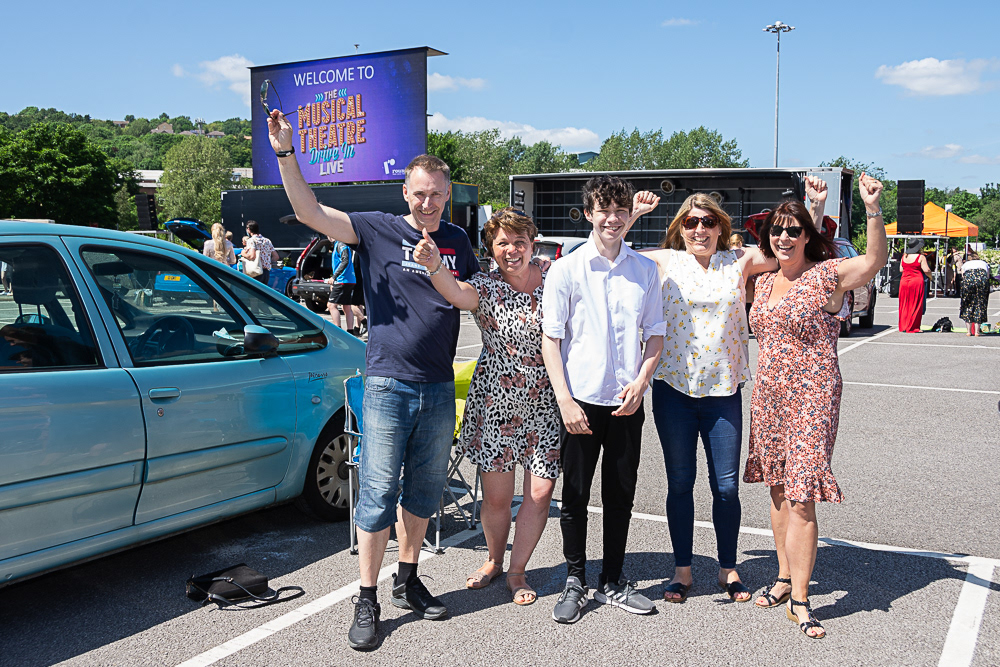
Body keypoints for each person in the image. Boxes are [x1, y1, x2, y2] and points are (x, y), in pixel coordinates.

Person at [268, 110, 480, 651]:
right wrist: (286, 153)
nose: (426, 203)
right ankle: (367, 595)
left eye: (435, 194)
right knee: (379, 490)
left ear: (447, 193)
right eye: (418, 194)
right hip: (388, 382)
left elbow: (473, 298)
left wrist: (442, 268)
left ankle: (408, 579)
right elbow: (308, 210)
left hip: (437, 384)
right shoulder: (376, 230)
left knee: (424, 491)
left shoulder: (457, 239)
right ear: (403, 192)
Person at [641, 178, 829, 605]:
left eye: (708, 221)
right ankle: (683, 571)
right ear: (680, 227)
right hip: (674, 392)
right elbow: (610, 256)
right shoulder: (665, 261)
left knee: (726, 487)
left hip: (724, 393)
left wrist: (813, 208)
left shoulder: (738, 261)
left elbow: (795, 250)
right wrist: (633, 215)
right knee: (680, 484)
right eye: (691, 222)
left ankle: (728, 568)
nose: (699, 229)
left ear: (720, 227)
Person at [744, 173, 887, 639]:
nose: (784, 237)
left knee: (802, 495)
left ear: (809, 236)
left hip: (812, 395)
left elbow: (872, 262)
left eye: (794, 230)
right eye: (777, 231)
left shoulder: (826, 276)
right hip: (769, 396)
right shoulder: (762, 283)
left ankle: (802, 600)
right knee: (778, 487)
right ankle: (784, 578)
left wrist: (872, 209)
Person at [412, 207, 557, 606]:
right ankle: (495, 560)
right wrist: (434, 264)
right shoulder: (486, 285)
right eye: (502, 243)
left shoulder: (555, 280)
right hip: (496, 401)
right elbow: (455, 294)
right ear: (491, 249)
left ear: (533, 243)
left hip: (546, 400)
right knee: (496, 498)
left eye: (519, 242)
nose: (512, 250)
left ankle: (518, 570)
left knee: (541, 492)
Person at [541, 175, 665, 623]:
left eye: (620, 210)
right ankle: (575, 579)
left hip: (626, 402)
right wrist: (566, 401)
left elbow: (655, 334)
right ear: (589, 213)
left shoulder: (645, 270)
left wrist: (642, 381)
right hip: (580, 403)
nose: (612, 218)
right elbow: (551, 340)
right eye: (603, 210)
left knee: (620, 495)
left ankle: (612, 579)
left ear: (629, 213)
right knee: (574, 496)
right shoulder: (566, 269)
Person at [898, 237, 931, 333]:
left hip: (904, 281)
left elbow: (901, 269)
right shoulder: (921, 257)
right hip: (916, 281)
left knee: (904, 304)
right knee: (915, 304)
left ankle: (904, 326)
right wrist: (930, 276)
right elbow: (926, 270)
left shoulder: (904, 256)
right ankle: (913, 327)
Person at [324, 237, 357, 332]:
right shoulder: (339, 244)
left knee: (331, 305)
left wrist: (334, 277)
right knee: (346, 306)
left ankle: (338, 331)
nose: (328, 236)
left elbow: (345, 260)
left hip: (343, 280)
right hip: (348, 280)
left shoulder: (341, 244)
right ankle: (350, 331)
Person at [960, 249, 991, 336]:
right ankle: (977, 332)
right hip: (982, 281)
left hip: (968, 281)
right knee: (980, 305)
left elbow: (963, 275)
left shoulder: (966, 264)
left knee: (967, 305)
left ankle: (968, 332)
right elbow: (987, 276)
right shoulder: (983, 263)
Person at [242, 220, 279, 284]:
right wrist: (267, 261)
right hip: (266, 272)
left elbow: (252, 256)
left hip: (256, 271)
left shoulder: (251, 240)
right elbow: (276, 256)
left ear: (249, 229)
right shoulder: (267, 241)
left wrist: (243, 254)